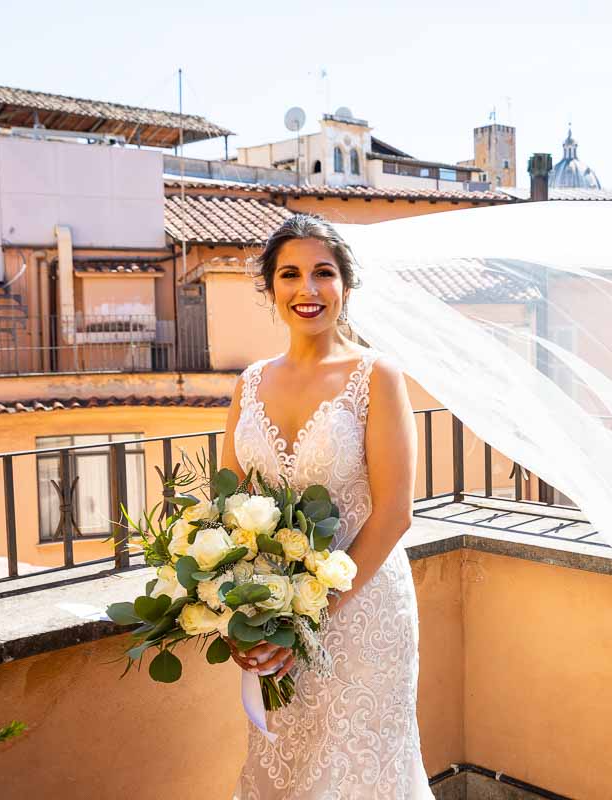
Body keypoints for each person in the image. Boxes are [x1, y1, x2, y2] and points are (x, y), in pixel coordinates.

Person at [220, 214, 433, 799]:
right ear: (270, 289)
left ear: (345, 285)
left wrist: (309, 619)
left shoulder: (377, 375)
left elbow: (394, 513)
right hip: (275, 615)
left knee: (355, 770)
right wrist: (239, 610)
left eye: (323, 273)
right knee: (285, 765)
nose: (307, 290)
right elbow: (231, 506)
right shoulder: (251, 382)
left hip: (361, 611)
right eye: (289, 274)